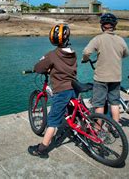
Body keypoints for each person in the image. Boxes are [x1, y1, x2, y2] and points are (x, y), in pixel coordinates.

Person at [28, 24, 77, 158]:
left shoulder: (52, 55)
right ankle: (78, 128)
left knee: (53, 120)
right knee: (74, 111)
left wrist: (47, 68)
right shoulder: (73, 52)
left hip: (61, 90)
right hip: (74, 86)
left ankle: (42, 149)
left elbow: (38, 67)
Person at [82, 13, 129, 124]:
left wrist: (85, 59)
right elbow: (126, 54)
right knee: (115, 103)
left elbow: (86, 52)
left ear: (102, 26)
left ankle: (98, 128)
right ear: (114, 25)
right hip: (116, 77)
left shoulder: (98, 39)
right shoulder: (120, 40)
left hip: (101, 78)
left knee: (99, 104)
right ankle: (116, 126)